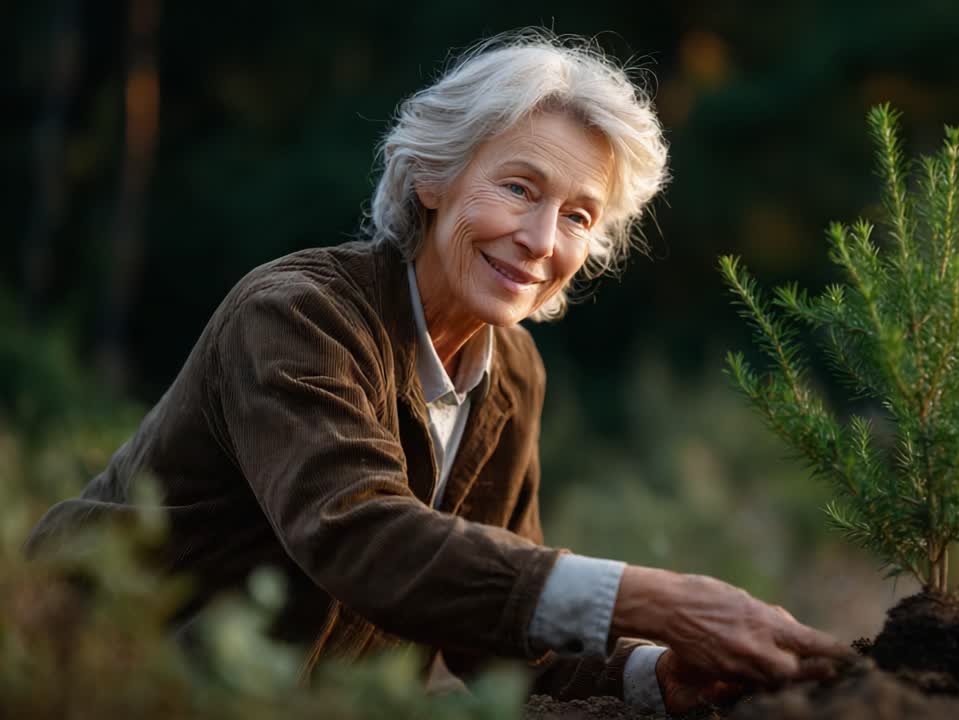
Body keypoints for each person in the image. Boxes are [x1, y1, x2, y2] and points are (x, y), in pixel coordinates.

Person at [25, 30, 850, 714]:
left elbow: (497, 629)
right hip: (79, 678)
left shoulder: (512, 373)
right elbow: (361, 536)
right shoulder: (296, 317)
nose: (539, 239)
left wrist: (655, 674)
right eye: (519, 187)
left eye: (577, 216)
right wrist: (651, 596)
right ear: (431, 176)